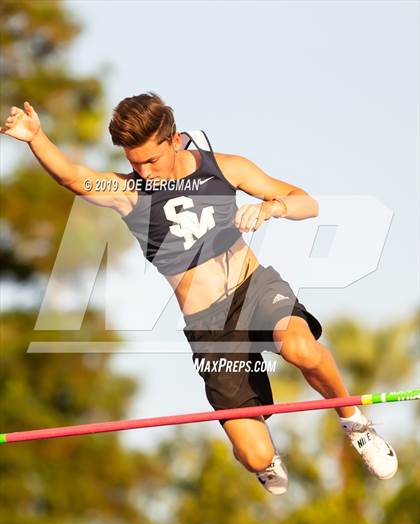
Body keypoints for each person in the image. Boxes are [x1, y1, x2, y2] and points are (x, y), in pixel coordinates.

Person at [1, 92, 398, 494]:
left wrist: (270, 208)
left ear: (174, 140)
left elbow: (306, 203)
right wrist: (36, 138)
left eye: (151, 160)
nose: (144, 171)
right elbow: (73, 176)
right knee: (256, 455)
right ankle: (259, 459)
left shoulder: (224, 168)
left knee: (299, 347)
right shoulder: (129, 194)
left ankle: (356, 424)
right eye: (134, 162)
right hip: (210, 329)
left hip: (254, 290)